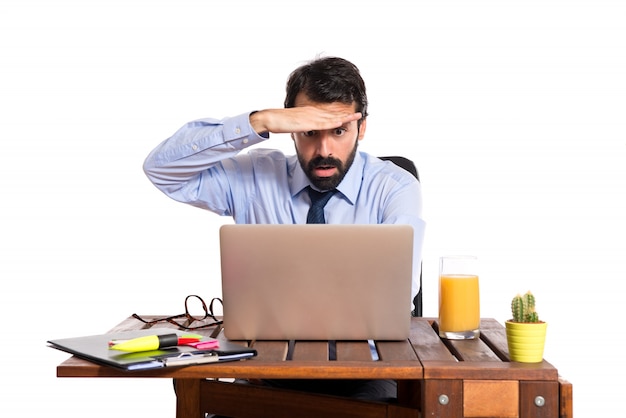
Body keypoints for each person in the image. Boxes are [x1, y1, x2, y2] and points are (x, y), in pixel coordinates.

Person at [143, 56, 425, 403]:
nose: (324, 151)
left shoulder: (394, 187)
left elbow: (399, 292)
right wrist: (259, 121)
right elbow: (161, 169)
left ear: (361, 128)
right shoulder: (254, 179)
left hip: (366, 375)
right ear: (289, 128)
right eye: (308, 131)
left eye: (339, 130)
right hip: (265, 372)